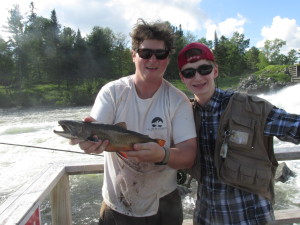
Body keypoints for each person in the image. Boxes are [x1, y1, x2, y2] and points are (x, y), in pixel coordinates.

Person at [72, 19, 197, 225]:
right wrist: (88, 144)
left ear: (168, 58)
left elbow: (189, 155)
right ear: (133, 55)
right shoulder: (112, 92)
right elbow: (94, 131)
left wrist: (163, 154)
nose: (153, 60)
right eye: (145, 53)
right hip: (117, 205)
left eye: (161, 54)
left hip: (164, 206)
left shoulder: (178, 101)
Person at [177, 42, 300, 225]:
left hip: (250, 217)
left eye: (204, 69)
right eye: (189, 72)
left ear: (215, 71)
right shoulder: (183, 115)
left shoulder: (250, 108)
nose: (198, 77)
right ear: (182, 78)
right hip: (206, 217)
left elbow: (294, 127)